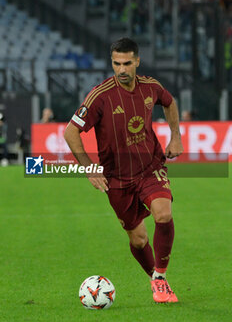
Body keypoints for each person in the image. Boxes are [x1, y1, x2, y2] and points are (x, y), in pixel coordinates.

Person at [64, 38, 183, 303]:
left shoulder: (151, 87)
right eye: (117, 63)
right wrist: (89, 167)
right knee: (139, 239)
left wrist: (176, 136)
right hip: (116, 179)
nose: (122, 69)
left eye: (127, 63)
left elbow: (170, 102)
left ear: (137, 61)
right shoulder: (100, 96)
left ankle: (160, 279)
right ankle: (154, 274)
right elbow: (71, 131)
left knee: (163, 214)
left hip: (150, 167)